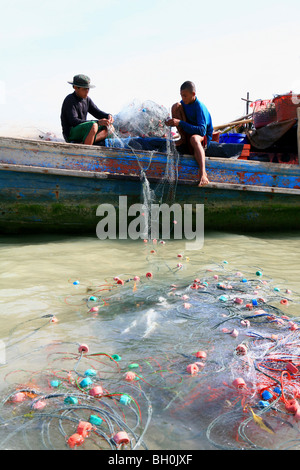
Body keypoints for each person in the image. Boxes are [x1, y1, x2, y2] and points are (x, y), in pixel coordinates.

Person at [166, 81, 213, 186]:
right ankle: (183, 138)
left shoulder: (199, 107)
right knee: (175, 106)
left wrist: (180, 123)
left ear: (193, 94)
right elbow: (180, 117)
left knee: (194, 139)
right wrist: (171, 122)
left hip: (202, 137)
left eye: (185, 96)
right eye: (181, 95)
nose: (183, 98)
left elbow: (202, 131)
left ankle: (203, 173)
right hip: (188, 133)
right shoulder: (183, 103)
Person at [60, 74, 114, 145]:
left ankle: (83, 143)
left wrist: (108, 116)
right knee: (94, 125)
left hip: (84, 132)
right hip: (71, 133)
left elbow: (97, 112)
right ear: (75, 87)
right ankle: (85, 151)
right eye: (84, 89)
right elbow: (73, 121)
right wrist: (98, 122)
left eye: (88, 89)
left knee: (110, 128)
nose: (87, 91)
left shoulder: (87, 100)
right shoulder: (69, 100)